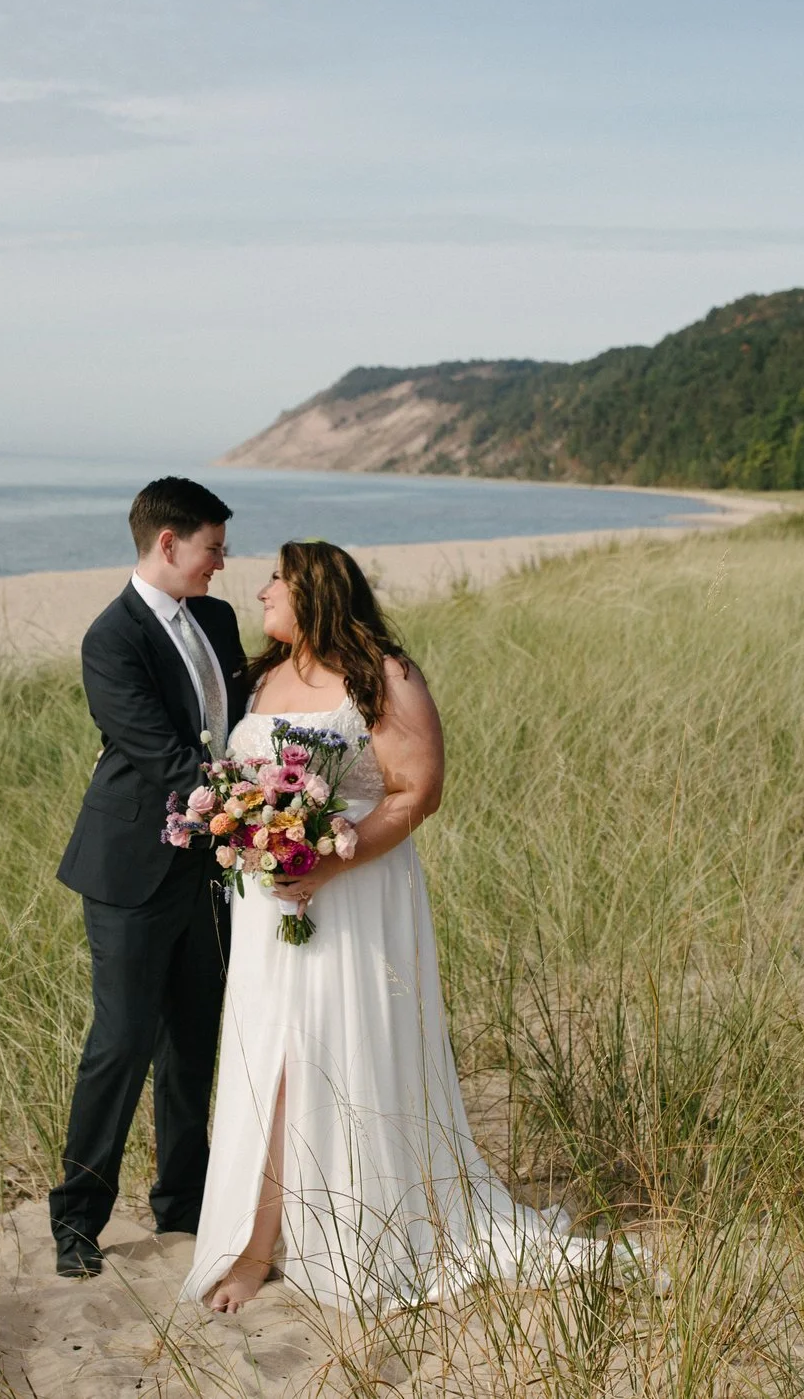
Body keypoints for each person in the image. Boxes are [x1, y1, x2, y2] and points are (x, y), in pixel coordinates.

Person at [181, 540, 606, 1312]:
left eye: (276, 579)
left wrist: (327, 861)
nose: (263, 590)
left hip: (356, 892)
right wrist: (252, 832)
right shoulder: (263, 675)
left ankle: (351, 1222)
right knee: (266, 1055)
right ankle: (255, 1242)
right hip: (266, 902)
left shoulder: (383, 675)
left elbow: (419, 789)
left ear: (314, 589)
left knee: (333, 1049)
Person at [49, 477, 248, 1279]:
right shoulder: (112, 639)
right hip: (130, 868)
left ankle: (184, 1202)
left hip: (212, 869)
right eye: (212, 548)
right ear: (168, 543)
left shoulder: (218, 619)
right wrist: (259, 809)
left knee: (193, 1040)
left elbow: (241, 722)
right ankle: (77, 1217)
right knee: (122, 1041)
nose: (221, 564)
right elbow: (163, 755)